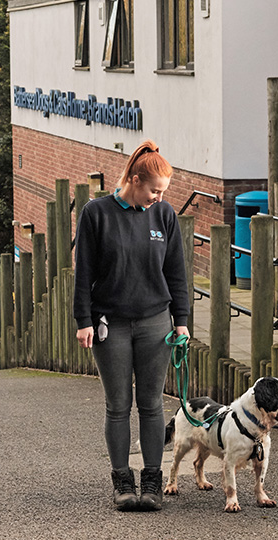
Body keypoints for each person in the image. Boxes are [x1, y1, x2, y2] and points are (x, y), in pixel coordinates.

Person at [73, 140, 190, 511]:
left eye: (163, 192)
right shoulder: (96, 213)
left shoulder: (164, 216)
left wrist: (182, 322)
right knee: (118, 405)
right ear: (135, 180)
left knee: (152, 404)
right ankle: (122, 480)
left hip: (156, 321)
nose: (159, 198)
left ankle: (152, 480)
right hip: (112, 324)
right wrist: (83, 320)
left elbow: (176, 273)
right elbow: (84, 272)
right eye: (154, 190)